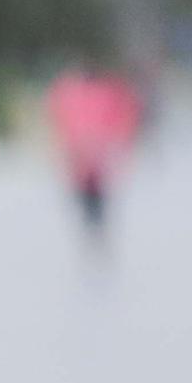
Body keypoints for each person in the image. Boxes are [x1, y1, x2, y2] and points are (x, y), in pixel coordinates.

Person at [46, 61, 142, 250]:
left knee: (96, 191)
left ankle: (96, 226)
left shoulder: (106, 91)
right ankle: (91, 225)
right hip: (80, 149)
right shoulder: (71, 91)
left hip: (98, 150)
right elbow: (60, 117)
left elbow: (122, 115)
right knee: (84, 190)